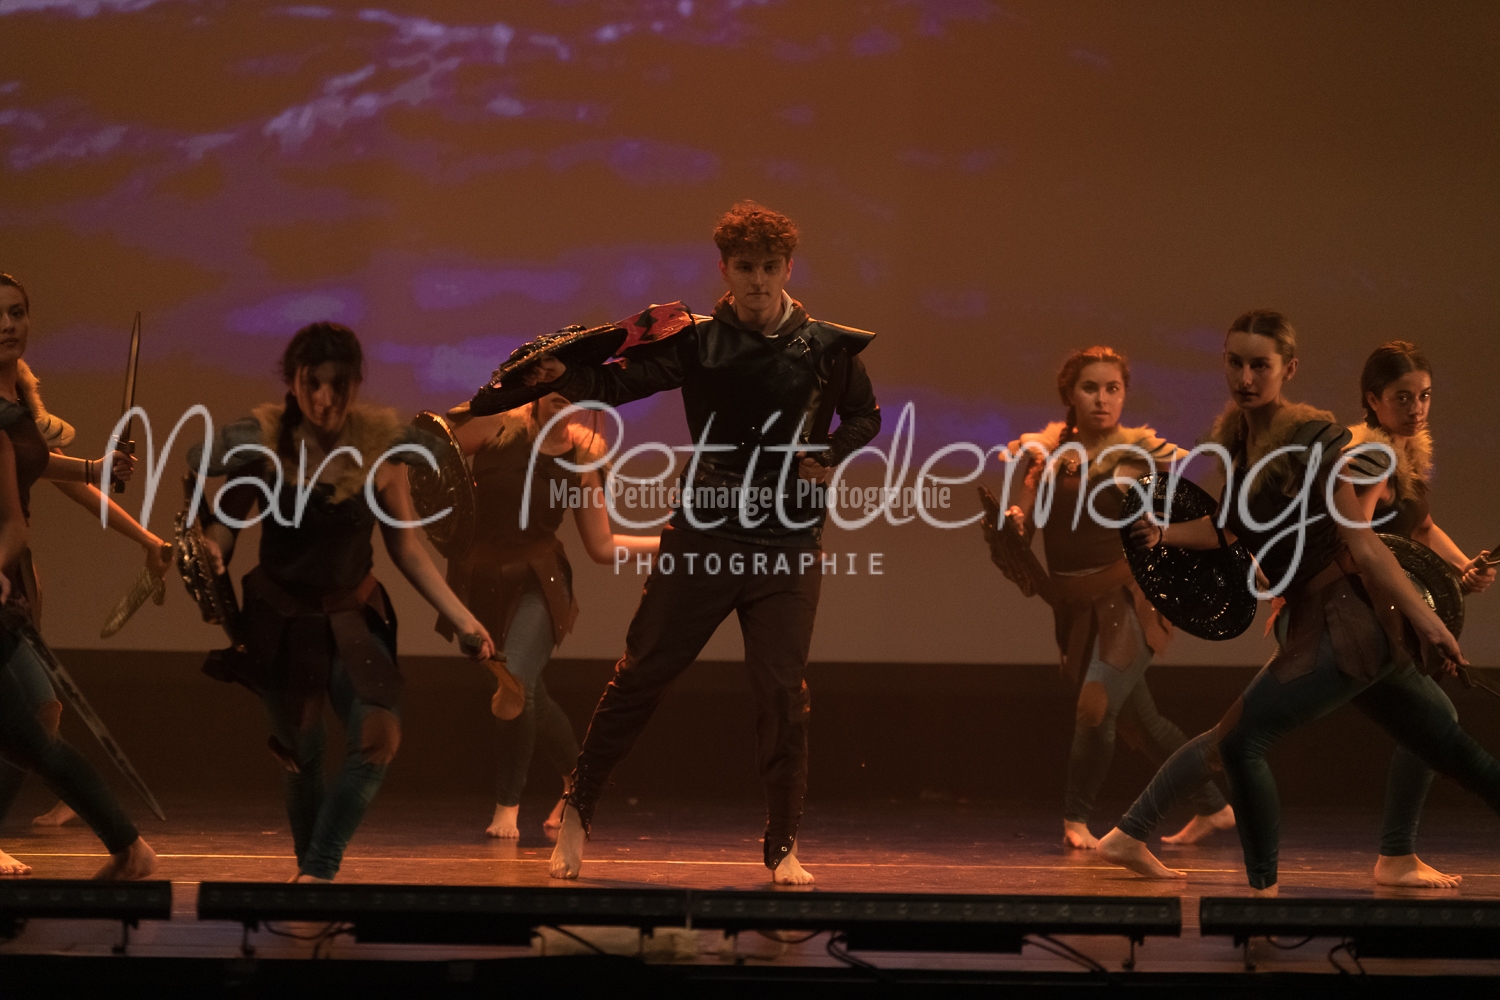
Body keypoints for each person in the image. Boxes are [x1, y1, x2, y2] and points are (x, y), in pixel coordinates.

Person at [520, 201, 881, 884]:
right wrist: (564, 379)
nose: (758, 280)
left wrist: (832, 452)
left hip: (788, 538)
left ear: (788, 268)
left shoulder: (827, 346)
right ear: (725, 269)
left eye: (769, 267)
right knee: (644, 672)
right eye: (745, 267)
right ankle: (578, 809)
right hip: (707, 528)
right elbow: (622, 382)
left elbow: (865, 415)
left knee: (781, 692)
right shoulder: (699, 341)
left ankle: (783, 844)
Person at [1097, 310, 1500, 896]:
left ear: (1288, 369)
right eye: (1235, 363)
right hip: (1330, 620)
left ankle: (1263, 896)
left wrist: (1429, 618)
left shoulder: (1318, 440)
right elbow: (1230, 529)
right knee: (1446, 742)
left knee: (1243, 740)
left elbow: (1363, 542)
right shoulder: (1241, 441)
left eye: (1260, 365)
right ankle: (1382, 858)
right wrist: (1163, 534)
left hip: (1349, 623)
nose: (1246, 378)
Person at [194, 322, 494, 882]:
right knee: (301, 755)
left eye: (338, 384)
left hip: (353, 617)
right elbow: (225, 528)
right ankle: (310, 879)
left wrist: (463, 619)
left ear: (356, 384)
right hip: (281, 623)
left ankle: (318, 871)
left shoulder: (381, 454)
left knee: (379, 738)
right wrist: (209, 551)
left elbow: (407, 548)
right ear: (293, 382)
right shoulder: (264, 448)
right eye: (312, 384)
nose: (324, 399)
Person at [995, 346, 1232, 851]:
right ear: (1069, 393)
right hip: (1075, 609)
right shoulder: (1047, 454)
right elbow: (1025, 516)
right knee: (1146, 722)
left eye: (1113, 389)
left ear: (1124, 395)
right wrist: (1013, 523)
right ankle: (1214, 806)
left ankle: (1076, 819)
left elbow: (1176, 517)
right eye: (1090, 388)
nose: (1102, 399)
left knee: (1095, 706)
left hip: (1129, 602)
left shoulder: (1138, 455)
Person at [0, 272, 158, 879]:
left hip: (9, 580)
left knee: (37, 718)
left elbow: (26, 484)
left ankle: (128, 848)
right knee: (32, 726)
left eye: (17, 312)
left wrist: (94, 468)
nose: (9, 324)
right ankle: (129, 847)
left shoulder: (14, 400)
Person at [445, 392, 658, 839]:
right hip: (478, 584)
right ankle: (576, 782)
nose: (564, 392)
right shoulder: (497, 428)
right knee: (532, 697)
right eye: (553, 378)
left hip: (540, 582)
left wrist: (670, 543)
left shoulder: (581, 457)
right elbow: (431, 449)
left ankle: (507, 806)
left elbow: (602, 546)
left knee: (516, 680)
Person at [1347, 341, 1495, 888]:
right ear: (1373, 400)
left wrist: (1463, 567)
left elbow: (1422, 528)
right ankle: (1395, 855)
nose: (1417, 408)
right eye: (1403, 397)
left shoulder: (1404, 454)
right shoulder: (1373, 459)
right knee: (1435, 722)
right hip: (1358, 621)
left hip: (1380, 618)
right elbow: (1356, 540)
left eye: (1425, 396)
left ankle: (1397, 854)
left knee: (1251, 730)